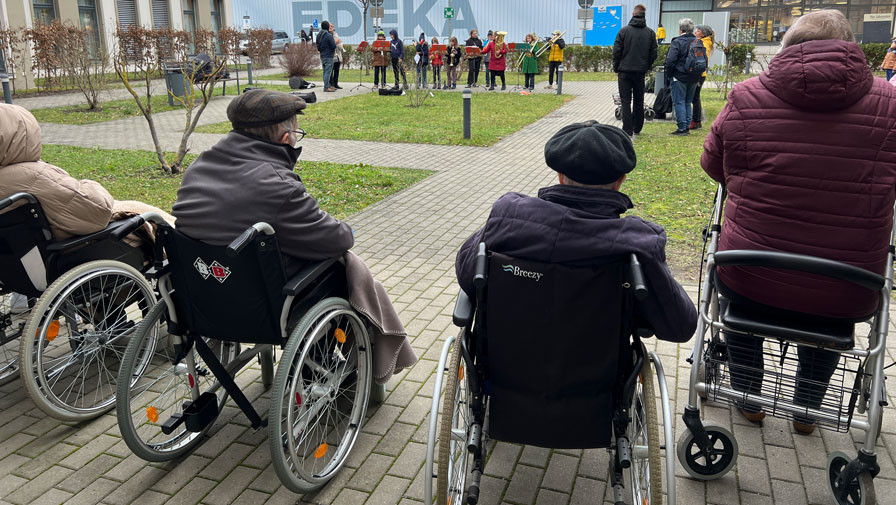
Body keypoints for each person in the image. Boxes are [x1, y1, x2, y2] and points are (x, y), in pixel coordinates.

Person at [701, 9, 896, 433]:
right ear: (852, 49)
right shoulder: (891, 106)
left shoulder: (745, 96)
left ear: (788, 47)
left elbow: (714, 165)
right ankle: (807, 409)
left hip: (751, 273)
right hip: (848, 284)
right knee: (826, 308)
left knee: (739, 291)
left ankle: (750, 397)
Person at [456, 121, 697, 343]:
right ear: (620, 181)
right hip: (600, 384)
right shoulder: (639, 243)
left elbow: (467, 272)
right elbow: (680, 327)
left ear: (560, 177)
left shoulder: (508, 216)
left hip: (504, 376)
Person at [173, 89, 352, 277]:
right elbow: (337, 240)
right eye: (296, 133)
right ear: (285, 139)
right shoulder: (279, 186)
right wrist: (350, 231)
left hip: (202, 285)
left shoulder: (197, 168)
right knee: (347, 264)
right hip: (268, 296)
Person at [612, 4, 657, 138]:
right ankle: (638, 127)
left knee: (625, 101)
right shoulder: (650, 33)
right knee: (639, 99)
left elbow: (616, 51)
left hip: (624, 71)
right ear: (644, 15)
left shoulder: (623, 31)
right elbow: (653, 53)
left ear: (633, 14)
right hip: (640, 72)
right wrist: (646, 66)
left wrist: (616, 67)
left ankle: (627, 129)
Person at [663, 18, 702, 135]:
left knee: (679, 102)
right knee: (687, 101)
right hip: (694, 76)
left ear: (681, 30)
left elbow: (670, 61)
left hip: (679, 76)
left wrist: (669, 75)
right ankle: (687, 126)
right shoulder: (698, 42)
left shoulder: (677, 42)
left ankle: (682, 128)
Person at [689, 25, 714, 130]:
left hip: (699, 74)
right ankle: (696, 120)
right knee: (695, 97)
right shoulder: (705, 42)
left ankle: (696, 121)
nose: (695, 33)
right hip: (701, 74)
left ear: (703, 34)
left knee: (695, 98)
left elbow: (700, 60)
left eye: (698, 31)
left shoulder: (703, 43)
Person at [317, 21, 337, 92]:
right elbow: (333, 46)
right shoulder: (328, 35)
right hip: (329, 56)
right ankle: (326, 87)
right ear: (327, 27)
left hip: (322, 55)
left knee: (325, 71)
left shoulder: (319, 35)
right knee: (328, 72)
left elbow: (317, 45)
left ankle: (327, 85)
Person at [330, 23, 344, 90]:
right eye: (331, 26)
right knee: (330, 71)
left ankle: (336, 84)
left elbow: (339, 42)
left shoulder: (336, 34)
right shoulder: (327, 35)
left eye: (333, 26)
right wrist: (336, 42)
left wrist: (340, 45)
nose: (332, 27)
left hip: (338, 55)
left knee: (337, 71)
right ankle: (331, 84)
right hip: (331, 56)